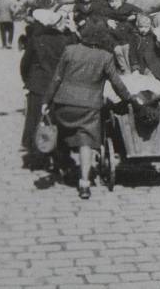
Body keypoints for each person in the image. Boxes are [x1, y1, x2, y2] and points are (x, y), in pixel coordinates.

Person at [43, 26, 139, 200]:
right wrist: (129, 99)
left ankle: (63, 167)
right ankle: (84, 184)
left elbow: (57, 77)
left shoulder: (70, 50)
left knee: (62, 134)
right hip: (88, 106)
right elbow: (117, 83)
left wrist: (46, 101)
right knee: (85, 141)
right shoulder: (105, 57)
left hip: (64, 103)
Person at [19, 9, 77, 169]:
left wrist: (28, 81)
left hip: (39, 85)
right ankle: (61, 156)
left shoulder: (36, 39)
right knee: (58, 121)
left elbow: (25, 63)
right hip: (60, 86)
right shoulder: (67, 40)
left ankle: (38, 156)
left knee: (36, 120)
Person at [105, 0, 142, 74]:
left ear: (121, 0)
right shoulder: (109, 10)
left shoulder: (127, 7)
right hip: (115, 31)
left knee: (130, 47)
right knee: (117, 50)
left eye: (116, 1)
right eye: (111, 2)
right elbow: (103, 15)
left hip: (128, 30)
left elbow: (139, 12)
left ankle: (134, 67)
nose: (113, 4)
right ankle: (124, 69)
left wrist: (134, 16)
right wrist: (107, 21)